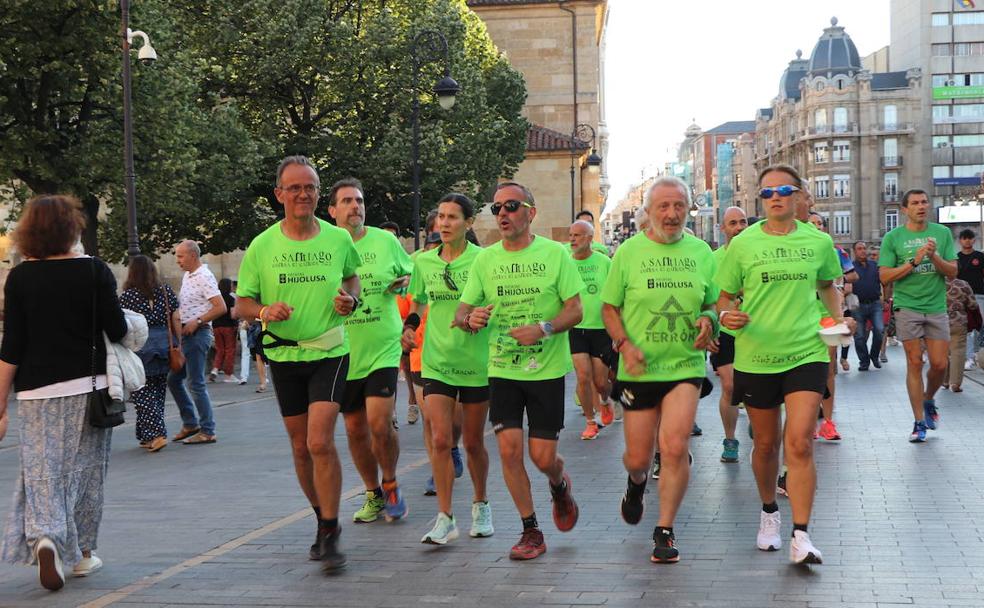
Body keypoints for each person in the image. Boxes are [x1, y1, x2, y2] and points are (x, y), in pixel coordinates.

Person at [715, 165, 849, 565]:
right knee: (766, 444)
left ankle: (801, 535)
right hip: (757, 354)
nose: (775, 198)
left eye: (784, 191)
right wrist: (725, 316)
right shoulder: (743, 244)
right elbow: (724, 297)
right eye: (767, 193)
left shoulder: (818, 241)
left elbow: (827, 286)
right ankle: (769, 511)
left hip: (806, 351)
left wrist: (837, 322)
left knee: (800, 441)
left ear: (800, 195)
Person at [235, 155, 361, 571]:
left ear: (318, 193)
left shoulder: (338, 239)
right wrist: (264, 311)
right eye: (295, 188)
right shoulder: (262, 245)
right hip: (284, 354)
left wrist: (351, 299)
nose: (303, 194)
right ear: (279, 194)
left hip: (329, 350)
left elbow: (352, 278)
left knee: (319, 441)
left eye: (310, 187)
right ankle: (323, 519)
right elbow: (242, 304)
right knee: (300, 447)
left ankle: (331, 526)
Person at [0, 194, 128, 590]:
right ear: (72, 226)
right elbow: (118, 329)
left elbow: (12, 346)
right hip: (89, 390)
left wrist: (0, 405)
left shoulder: (20, 278)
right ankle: (83, 555)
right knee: (86, 472)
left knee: (42, 470)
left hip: (35, 393)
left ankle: (45, 538)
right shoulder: (94, 271)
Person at [454, 181, 583, 561]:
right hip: (502, 368)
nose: (503, 214)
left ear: (531, 212)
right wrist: (471, 318)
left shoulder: (555, 254)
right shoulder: (485, 260)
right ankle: (531, 530)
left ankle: (558, 483)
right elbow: (461, 312)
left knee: (542, 458)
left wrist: (544, 328)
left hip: (545, 371)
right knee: (509, 451)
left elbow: (576, 310)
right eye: (496, 208)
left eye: (511, 206)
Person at [601, 176, 718, 564]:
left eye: (679, 206)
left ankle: (665, 528)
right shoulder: (628, 253)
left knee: (674, 447)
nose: (671, 214)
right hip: (638, 369)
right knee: (638, 459)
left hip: (685, 364)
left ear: (688, 210)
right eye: (663, 206)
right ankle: (636, 483)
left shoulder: (701, 253)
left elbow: (713, 304)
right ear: (649, 212)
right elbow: (609, 307)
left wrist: (709, 321)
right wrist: (624, 344)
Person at [402, 195, 493, 545]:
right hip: (436, 361)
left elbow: (493, 304)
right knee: (440, 439)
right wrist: (410, 328)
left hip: (475, 362)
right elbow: (418, 301)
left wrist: (476, 318)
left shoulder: (483, 260)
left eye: (453, 217)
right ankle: (445, 517)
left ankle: (481, 504)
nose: (444, 223)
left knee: (472, 442)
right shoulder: (424, 261)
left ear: (468, 223)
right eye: (441, 216)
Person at [327, 177, 413, 523]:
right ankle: (372, 492)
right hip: (344, 351)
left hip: (384, 347)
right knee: (355, 430)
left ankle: (390, 483)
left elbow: (413, 274)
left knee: (380, 422)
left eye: (359, 200)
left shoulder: (386, 240)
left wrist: (404, 282)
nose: (355, 206)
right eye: (347, 201)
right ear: (332, 210)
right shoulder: (324, 247)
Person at [879, 189, 958, 442]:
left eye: (924, 202)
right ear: (904, 209)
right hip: (907, 306)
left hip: (936, 306)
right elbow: (885, 276)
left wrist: (934, 256)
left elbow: (952, 272)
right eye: (914, 203)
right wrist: (914, 261)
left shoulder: (942, 233)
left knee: (940, 364)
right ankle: (919, 422)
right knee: (914, 362)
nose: (921, 206)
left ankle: (928, 399)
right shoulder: (893, 237)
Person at [120, 255, 180, 452]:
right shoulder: (166, 291)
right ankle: (146, 435)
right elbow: (176, 317)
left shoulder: (128, 296)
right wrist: (179, 343)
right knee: (158, 391)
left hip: (141, 346)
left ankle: (157, 434)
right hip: (164, 345)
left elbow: (123, 324)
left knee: (141, 392)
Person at [168, 240, 226, 445]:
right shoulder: (189, 275)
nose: (177, 260)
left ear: (193, 255)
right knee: (174, 380)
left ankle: (208, 430)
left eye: (180, 256)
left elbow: (221, 307)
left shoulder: (204, 276)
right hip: (188, 335)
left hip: (198, 334)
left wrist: (198, 321)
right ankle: (191, 423)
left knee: (195, 383)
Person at [568, 219, 615, 440]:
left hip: (601, 329)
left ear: (589, 238)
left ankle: (605, 401)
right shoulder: (566, 263)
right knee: (583, 377)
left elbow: (615, 294)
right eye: (570, 235)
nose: (572, 239)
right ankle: (590, 422)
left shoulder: (604, 262)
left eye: (577, 235)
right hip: (576, 328)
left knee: (600, 382)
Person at [710, 206, 747, 463]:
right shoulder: (712, 259)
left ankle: (760, 423)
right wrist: (710, 327)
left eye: (743, 222)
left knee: (754, 387)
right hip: (724, 330)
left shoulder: (757, 253)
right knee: (730, 386)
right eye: (732, 223)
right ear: (723, 228)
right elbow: (704, 296)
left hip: (755, 330)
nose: (739, 227)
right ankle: (730, 439)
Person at [851, 241, 884, 371]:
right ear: (854, 251)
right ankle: (864, 361)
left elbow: (883, 282)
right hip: (857, 305)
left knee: (879, 330)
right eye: (859, 248)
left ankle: (874, 356)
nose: (863, 251)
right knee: (859, 336)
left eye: (864, 248)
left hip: (875, 304)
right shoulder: (851, 268)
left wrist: (884, 298)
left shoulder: (875, 265)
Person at [944, 275, 979, 392]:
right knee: (957, 352)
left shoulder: (934, 283)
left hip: (939, 323)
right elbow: (973, 304)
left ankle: (944, 380)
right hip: (958, 322)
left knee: (942, 352)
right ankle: (955, 383)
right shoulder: (963, 284)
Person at [956, 228, 984, 368]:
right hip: (961, 297)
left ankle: (978, 353)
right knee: (966, 327)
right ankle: (969, 357)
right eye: (964, 238)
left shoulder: (980, 256)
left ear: (974, 240)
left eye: (970, 238)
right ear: (960, 240)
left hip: (979, 295)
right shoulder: (956, 258)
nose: (967, 241)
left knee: (980, 324)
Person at [209, 278, 240, 383]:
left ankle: (215, 369)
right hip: (228, 326)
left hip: (216, 326)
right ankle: (228, 374)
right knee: (230, 350)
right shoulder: (231, 299)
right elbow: (233, 315)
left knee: (220, 349)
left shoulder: (216, 299)